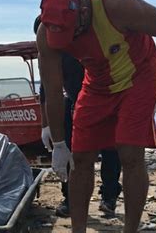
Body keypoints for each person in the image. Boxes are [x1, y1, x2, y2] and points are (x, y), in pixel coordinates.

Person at [37, 0, 156, 232]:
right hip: (97, 83)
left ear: (82, 12)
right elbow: (52, 90)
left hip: (139, 77)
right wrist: (58, 143)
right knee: (80, 157)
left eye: (73, 33)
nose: (70, 42)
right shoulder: (46, 32)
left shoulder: (115, 3)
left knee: (129, 154)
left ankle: (130, 229)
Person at [35, 16, 122, 217]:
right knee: (69, 152)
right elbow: (47, 92)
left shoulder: (82, 44)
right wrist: (46, 126)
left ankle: (109, 197)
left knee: (111, 150)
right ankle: (70, 198)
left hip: (104, 99)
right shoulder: (47, 55)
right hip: (72, 102)